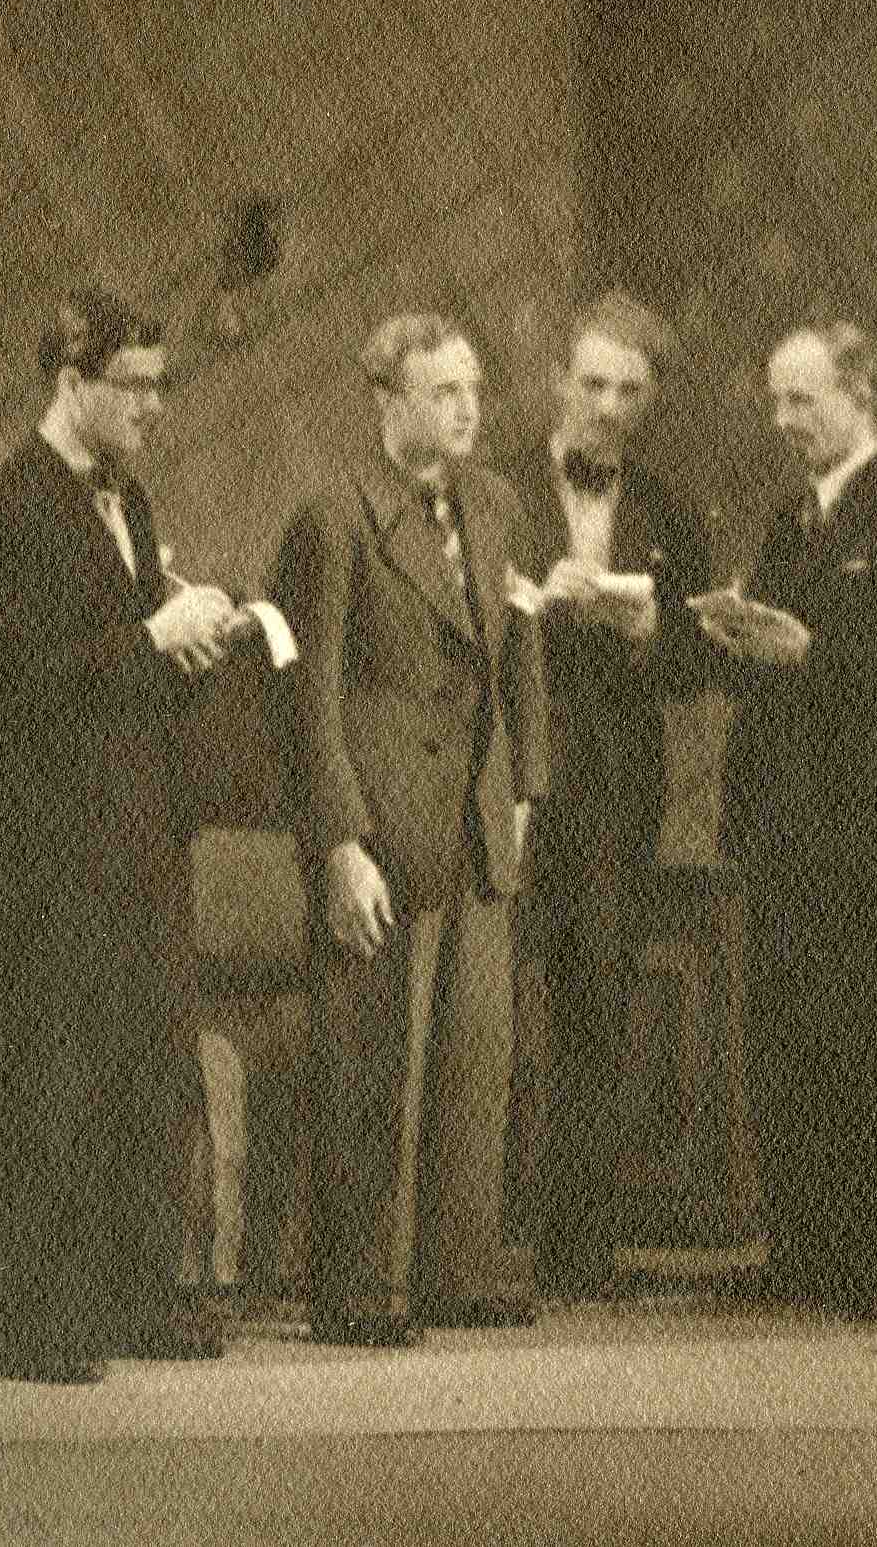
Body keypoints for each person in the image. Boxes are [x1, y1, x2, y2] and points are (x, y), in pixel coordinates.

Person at [0, 289, 259, 1380]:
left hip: (142, 841)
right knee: (55, 1080)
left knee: (145, 1073)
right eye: (137, 385)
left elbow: (117, 674)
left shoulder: (134, 502)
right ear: (71, 382)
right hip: (53, 854)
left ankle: (134, 1302)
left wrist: (191, 646)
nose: (155, 406)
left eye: (162, 385)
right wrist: (150, 636)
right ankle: (42, 1326)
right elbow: (23, 683)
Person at [277, 310, 550, 1347]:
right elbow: (309, 701)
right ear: (388, 400)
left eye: (474, 388)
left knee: (475, 1055)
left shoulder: (497, 506)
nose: (470, 408)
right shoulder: (333, 519)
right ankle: (361, 1285)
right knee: (371, 1058)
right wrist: (339, 844)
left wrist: (524, 789)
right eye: (445, 391)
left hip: (478, 821)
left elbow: (519, 654)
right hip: (384, 827)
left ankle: (455, 1270)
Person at [693, 319, 877, 1322]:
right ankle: (811, 1253)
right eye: (775, 399)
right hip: (780, 820)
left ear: (859, 393)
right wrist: (724, 635)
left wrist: (812, 652)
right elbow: (766, 666)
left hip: (867, 823)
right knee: (791, 1038)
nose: (782, 419)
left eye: (800, 399)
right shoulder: (790, 519)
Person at [509, 292, 716, 1301]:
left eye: (629, 390)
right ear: (559, 380)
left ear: (652, 398)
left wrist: (647, 631)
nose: (607, 406)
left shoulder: (670, 511)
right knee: (491, 1007)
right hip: (506, 777)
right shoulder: (496, 491)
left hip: (614, 793)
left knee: (597, 1003)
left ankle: (577, 1248)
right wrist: (532, 611)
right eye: (592, 383)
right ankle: (474, 1240)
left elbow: (699, 662)